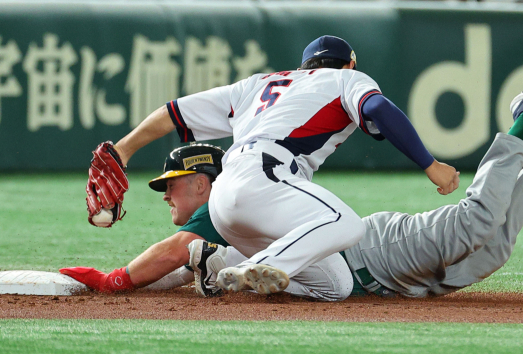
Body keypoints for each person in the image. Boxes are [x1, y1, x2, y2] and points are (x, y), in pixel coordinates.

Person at [61, 76, 523, 297]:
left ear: (205, 180)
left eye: (175, 181)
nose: (166, 193)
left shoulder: (237, 196)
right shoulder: (247, 193)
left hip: (372, 250)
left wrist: (116, 280)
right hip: (387, 285)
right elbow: (181, 266)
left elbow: (171, 253)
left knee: (475, 223)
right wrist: (125, 149)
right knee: (492, 251)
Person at [82, 35, 461, 301]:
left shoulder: (258, 84)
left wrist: (124, 149)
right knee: (348, 224)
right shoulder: (347, 77)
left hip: (231, 197)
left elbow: (174, 112)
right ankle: (260, 265)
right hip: (266, 176)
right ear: (348, 63)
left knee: (336, 285)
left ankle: (217, 263)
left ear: (305, 67)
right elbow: (378, 109)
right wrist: (430, 165)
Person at [60, 144, 228, 293]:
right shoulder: (226, 211)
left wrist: (112, 281)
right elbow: (178, 273)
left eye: (171, 186)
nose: (166, 196)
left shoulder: (217, 207)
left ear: (200, 184)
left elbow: (170, 255)